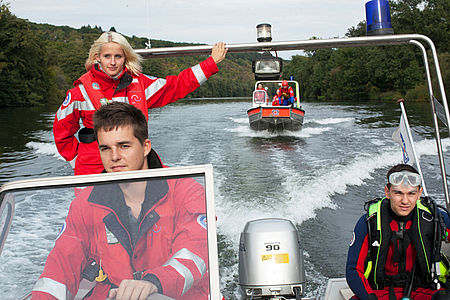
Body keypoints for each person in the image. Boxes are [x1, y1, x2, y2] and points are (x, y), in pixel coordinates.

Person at [33, 102, 209, 300]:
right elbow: (62, 263)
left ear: (145, 147)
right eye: (105, 148)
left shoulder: (186, 191)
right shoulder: (86, 202)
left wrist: (154, 283)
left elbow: (195, 252)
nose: (114, 157)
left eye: (124, 146)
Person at [54, 31, 228, 175]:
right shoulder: (79, 93)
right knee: (93, 215)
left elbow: (176, 86)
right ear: (97, 57)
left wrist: (210, 63)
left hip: (135, 165)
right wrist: (78, 161)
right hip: (93, 169)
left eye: (118, 56)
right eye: (107, 56)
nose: (113, 62)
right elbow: (61, 131)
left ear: (126, 58)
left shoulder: (141, 85)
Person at [346, 164, 450, 299]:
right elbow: (354, 269)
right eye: (398, 193)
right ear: (387, 192)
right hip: (380, 292)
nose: (405, 201)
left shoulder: (435, 218)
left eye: (411, 193)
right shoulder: (368, 222)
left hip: (423, 290)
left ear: (419, 193)